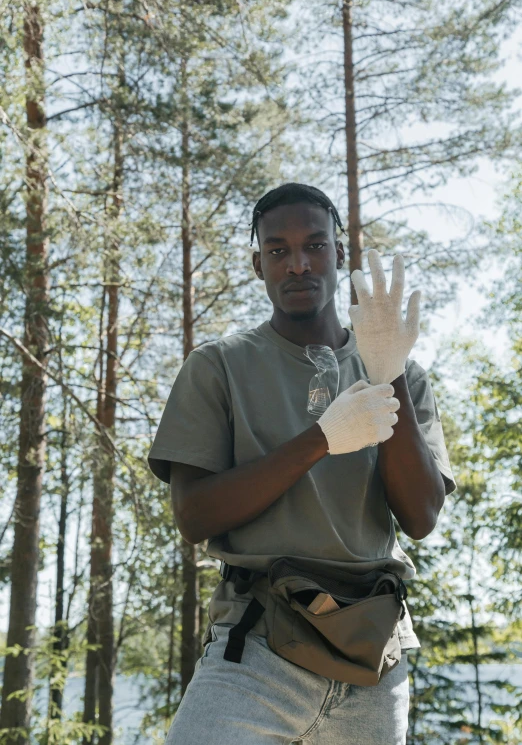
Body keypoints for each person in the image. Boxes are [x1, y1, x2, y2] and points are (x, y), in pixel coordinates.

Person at [147, 182, 457, 744]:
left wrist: (387, 375)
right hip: (256, 646)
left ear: (340, 253)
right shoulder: (218, 366)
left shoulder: (399, 372)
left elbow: (421, 517)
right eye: (278, 250)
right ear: (257, 264)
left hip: (374, 661)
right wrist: (321, 438)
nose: (298, 264)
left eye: (315, 245)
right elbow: (194, 516)